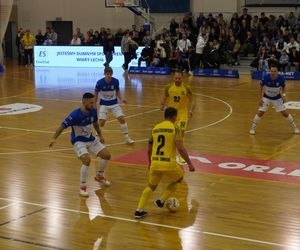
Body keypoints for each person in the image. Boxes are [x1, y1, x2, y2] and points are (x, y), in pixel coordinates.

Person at [134, 107, 195, 219]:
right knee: (179, 179)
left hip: (155, 163)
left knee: (151, 187)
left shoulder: (155, 128)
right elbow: (180, 148)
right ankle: (161, 200)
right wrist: (190, 164)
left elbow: (149, 150)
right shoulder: (175, 128)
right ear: (174, 117)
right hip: (168, 163)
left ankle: (139, 210)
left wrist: (150, 163)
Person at [49, 92, 111, 197]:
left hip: (91, 139)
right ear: (84, 102)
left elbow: (95, 124)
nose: (93, 104)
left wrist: (100, 135)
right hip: (79, 142)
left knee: (107, 155)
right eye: (91, 103)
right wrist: (54, 138)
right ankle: (82, 187)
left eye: (94, 102)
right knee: (87, 160)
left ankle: (99, 176)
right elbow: (62, 126)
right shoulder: (75, 115)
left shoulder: (93, 111)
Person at [249, 65, 299, 135]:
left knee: (285, 113)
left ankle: (295, 127)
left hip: (277, 97)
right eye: (271, 71)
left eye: (274, 71)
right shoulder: (265, 78)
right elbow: (260, 88)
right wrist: (260, 98)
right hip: (266, 97)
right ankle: (252, 128)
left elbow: (284, 87)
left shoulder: (281, 78)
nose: (273, 73)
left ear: (277, 71)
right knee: (261, 112)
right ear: (270, 71)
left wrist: (284, 95)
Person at [160, 70, 195, 163]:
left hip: (182, 114)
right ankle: (170, 153)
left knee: (181, 133)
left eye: (179, 78)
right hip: (171, 114)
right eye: (176, 78)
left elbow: (193, 101)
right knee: (170, 133)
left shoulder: (187, 88)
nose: (177, 80)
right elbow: (164, 97)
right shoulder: (168, 87)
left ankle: (181, 155)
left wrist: (191, 110)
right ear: (173, 78)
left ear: (182, 78)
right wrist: (162, 105)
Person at [94, 67, 134, 144]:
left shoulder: (116, 81)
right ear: (104, 74)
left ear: (112, 74)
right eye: (107, 74)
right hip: (104, 104)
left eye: (110, 74)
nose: (108, 75)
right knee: (101, 123)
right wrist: (95, 105)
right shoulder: (99, 83)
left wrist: (122, 99)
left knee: (122, 119)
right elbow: (95, 94)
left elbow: (117, 91)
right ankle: (96, 137)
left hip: (114, 104)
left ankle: (126, 138)